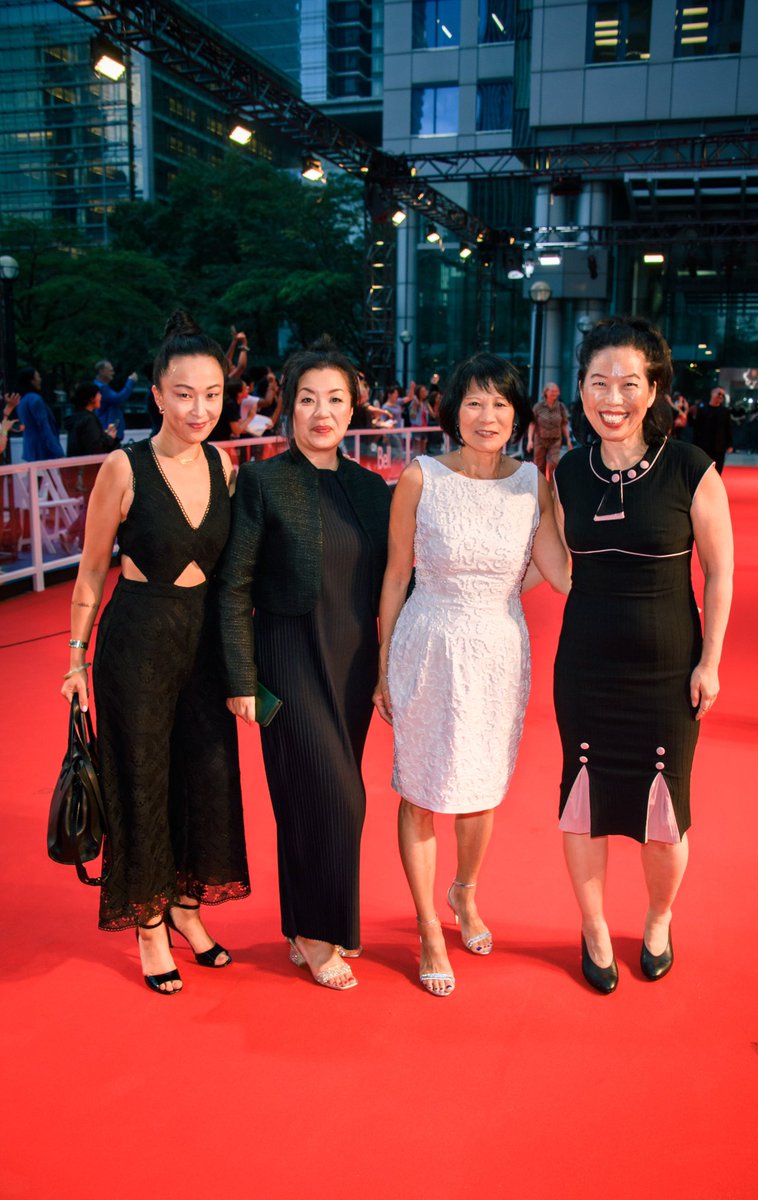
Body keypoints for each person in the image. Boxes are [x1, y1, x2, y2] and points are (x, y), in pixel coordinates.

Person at [61, 311, 250, 995]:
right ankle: (148, 924)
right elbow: (88, 576)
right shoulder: (124, 466)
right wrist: (75, 660)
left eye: (212, 395)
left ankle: (186, 907)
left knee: (206, 778)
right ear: (157, 392)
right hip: (137, 644)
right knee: (141, 781)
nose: (199, 409)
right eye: (183, 394)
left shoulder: (226, 465)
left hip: (203, 648)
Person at [373, 353, 571, 997]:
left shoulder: (531, 484)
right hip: (427, 644)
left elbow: (560, 571)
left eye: (500, 404)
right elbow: (396, 574)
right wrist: (381, 666)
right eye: (474, 403)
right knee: (423, 789)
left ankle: (464, 892)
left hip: (498, 651)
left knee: (482, 788)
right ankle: (429, 924)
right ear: (453, 410)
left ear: (518, 415)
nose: (488, 416)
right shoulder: (420, 477)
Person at [552, 316, 733, 994]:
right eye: (599, 382)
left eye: (629, 383)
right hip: (586, 670)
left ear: (654, 389)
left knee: (665, 815)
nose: (613, 397)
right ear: (581, 389)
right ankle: (594, 926)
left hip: (666, 672)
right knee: (583, 799)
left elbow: (720, 572)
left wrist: (709, 661)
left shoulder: (691, 468)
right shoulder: (568, 471)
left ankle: (658, 918)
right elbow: (549, 557)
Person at [218, 339, 391, 992]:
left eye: (336, 399)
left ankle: (300, 925)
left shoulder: (372, 490)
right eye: (308, 399)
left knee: (308, 802)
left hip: (351, 662)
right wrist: (239, 679)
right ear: (288, 407)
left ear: (355, 408)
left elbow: (396, 582)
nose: (323, 412)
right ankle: (322, 936)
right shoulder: (263, 481)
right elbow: (234, 584)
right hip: (283, 658)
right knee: (336, 798)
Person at [62, 382, 121, 553]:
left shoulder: (78, 419)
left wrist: (105, 436)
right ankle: (81, 542)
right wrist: (109, 438)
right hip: (89, 472)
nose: (101, 397)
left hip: (80, 471)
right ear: (91, 398)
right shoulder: (88, 419)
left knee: (89, 506)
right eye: (98, 394)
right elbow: (95, 448)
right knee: (92, 507)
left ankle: (71, 536)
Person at [526, 381, 572, 481]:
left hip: (555, 440)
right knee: (539, 465)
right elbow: (532, 423)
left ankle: (551, 489)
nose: (555, 394)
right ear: (546, 392)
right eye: (552, 391)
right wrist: (530, 440)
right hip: (540, 439)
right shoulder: (538, 406)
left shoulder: (560, 407)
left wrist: (568, 440)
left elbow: (564, 423)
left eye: (556, 391)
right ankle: (539, 487)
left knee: (553, 464)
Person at [17, 367, 63, 461]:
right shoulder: (35, 399)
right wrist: (57, 450)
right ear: (31, 381)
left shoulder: (22, 400)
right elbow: (44, 426)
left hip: (30, 448)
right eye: (37, 377)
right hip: (42, 450)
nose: (40, 379)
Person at [94, 360, 138, 442]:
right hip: (108, 431)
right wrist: (130, 382)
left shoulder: (101, 387)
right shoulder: (102, 388)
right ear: (101, 371)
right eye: (110, 370)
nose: (113, 373)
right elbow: (118, 399)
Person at [693, 386, 734, 473]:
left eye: (722, 395)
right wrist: (695, 444)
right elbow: (697, 428)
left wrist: (730, 444)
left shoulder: (725, 411)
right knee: (703, 470)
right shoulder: (702, 410)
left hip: (719, 447)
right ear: (712, 393)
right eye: (719, 393)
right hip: (704, 446)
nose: (720, 396)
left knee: (718, 470)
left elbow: (728, 428)